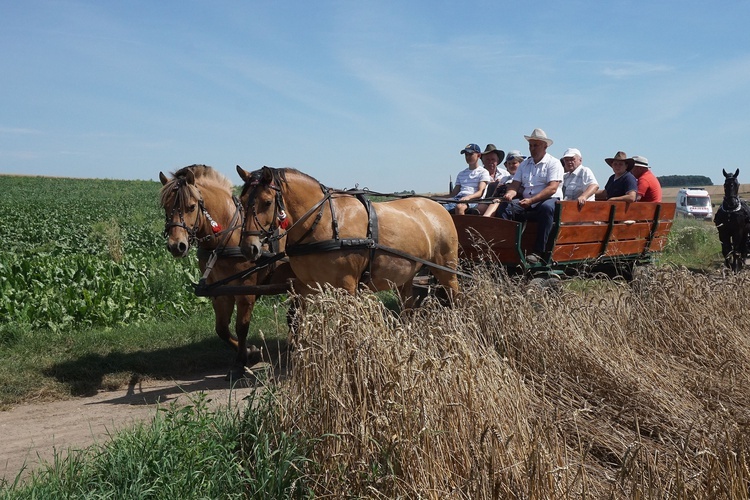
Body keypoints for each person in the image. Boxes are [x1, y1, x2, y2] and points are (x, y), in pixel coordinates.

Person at [483, 128, 563, 264]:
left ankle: (539, 252)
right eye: (530, 145)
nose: (532, 148)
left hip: (547, 199)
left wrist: (532, 200)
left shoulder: (553, 163)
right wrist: (509, 194)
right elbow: (515, 185)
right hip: (527, 200)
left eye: (535, 145)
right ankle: (506, 247)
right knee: (505, 206)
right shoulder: (525, 164)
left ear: (545, 146)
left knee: (547, 209)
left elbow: (552, 188)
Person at [444, 143, 491, 215]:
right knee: (437, 207)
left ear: (479, 155)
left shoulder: (483, 172)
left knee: (460, 207)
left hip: (474, 200)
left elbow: (480, 192)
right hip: (458, 199)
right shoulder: (461, 174)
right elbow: (454, 194)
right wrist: (435, 198)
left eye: (470, 154)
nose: (468, 157)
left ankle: (460, 226)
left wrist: (468, 197)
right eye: (466, 155)